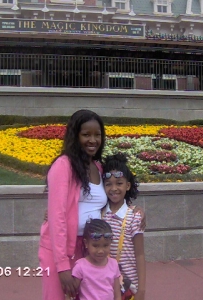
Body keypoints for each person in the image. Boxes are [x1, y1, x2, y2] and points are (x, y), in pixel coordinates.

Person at [38, 109, 145, 300]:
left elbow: (113, 195)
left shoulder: (98, 167)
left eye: (97, 135)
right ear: (75, 135)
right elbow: (58, 216)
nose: (93, 140)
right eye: (86, 134)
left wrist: (135, 210)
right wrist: (62, 266)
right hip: (60, 251)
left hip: (89, 247)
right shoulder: (63, 165)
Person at [102, 153, 146, 300]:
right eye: (108, 184)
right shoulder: (99, 215)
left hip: (129, 287)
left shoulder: (134, 216)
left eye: (119, 183)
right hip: (105, 285)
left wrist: (141, 290)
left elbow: (140, 254)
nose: (114, 188)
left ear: (127, 185)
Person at [72, 218, 122, 300]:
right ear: (86, 243)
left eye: (105, 245)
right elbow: (71, 293)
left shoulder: (113, 264)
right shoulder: (80, 266)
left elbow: (117, 294)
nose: (101, 251)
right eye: (95, 246)